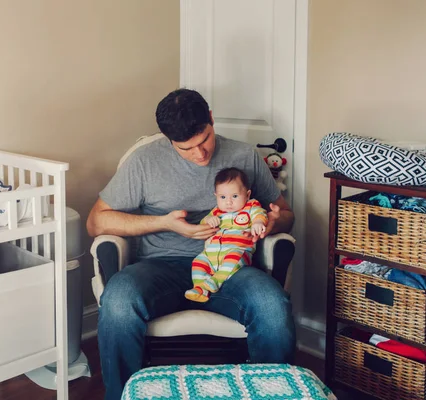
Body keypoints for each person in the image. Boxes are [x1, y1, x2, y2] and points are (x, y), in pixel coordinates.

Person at [86, 88, 296, 400]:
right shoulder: (144, 162)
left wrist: (272, 221)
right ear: (167, 138)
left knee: (272, 305)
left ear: (211, 119)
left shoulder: (243, 156)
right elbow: (96, 222)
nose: (200, 154)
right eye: (186, 149)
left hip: (231, 267)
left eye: (205, 140)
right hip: (161, 266)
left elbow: (287, 214)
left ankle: (271, 394)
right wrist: (165, 223)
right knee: (118, 301)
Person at [185, 167, 268, 303]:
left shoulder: (250, 207)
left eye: (234, 196)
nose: (228, 202)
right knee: (198, 262)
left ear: (247, 195)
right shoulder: (216, 212)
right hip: (211, 254)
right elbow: (203, 223)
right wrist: (208, 220)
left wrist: (258, 223)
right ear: (216, 196)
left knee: (233, 259)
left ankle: (215, 281)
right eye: (223, 197)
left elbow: (260, 215)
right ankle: (200, 289)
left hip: (238, 250)